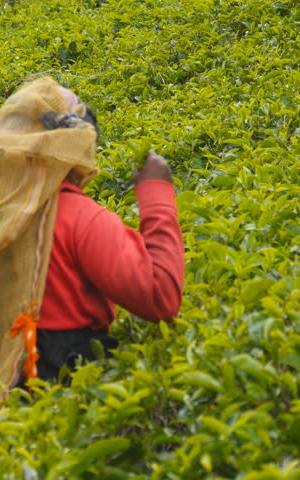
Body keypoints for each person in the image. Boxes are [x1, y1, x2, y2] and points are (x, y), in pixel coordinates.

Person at [33, 86, 185, 382]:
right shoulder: (79, 218)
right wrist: (157, 194)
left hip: (5, 391)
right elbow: (160, 296)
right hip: (72, 381)